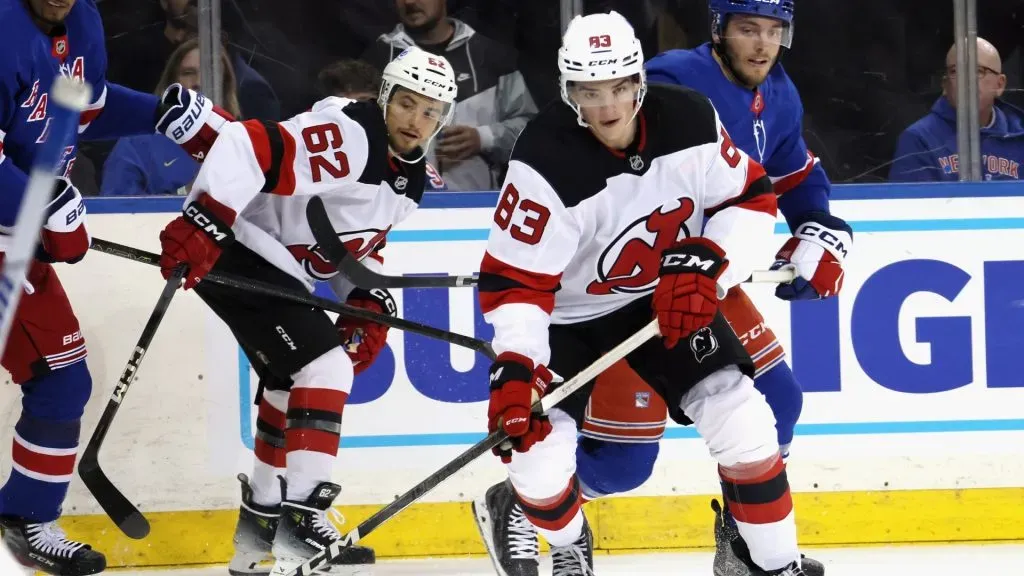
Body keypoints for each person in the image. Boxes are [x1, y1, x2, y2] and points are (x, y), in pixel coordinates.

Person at [474, 2, 849, 575]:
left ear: (639, 81)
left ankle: (772, 565)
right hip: (568, 318)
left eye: (620, 88)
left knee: (744, 408)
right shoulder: (542, 161)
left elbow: (750, 196)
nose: (606, 107)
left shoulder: (693, 116)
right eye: (588, 91)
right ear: (567, 88)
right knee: (549, 457)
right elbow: (518, 283)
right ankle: (563, 534)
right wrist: (517, 364)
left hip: (667, 291)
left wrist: (712, 263)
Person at [154, 46, 457, 575]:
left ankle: (257, 531)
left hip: (270, 263)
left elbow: (342, 247)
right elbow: (246, 146)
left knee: (289, 382)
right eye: (407, 104)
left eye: (432, 112)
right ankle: (302, 515)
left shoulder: (409, 179)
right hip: (236, 242)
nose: (417, 121)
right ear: (385, 97)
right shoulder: (353, 137)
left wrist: (365, 294)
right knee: (327, 366)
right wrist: (204, 221)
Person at [0, 0, 229, 573]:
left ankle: (26, 516)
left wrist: (161, 114)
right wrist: (39, 201)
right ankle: (26, 516)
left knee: (59, 377)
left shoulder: (82, 24)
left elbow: (82, 109)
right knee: (58, 377)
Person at [362, 0, 537, 191]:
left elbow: (532, 132)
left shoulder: (492, 58)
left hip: (477, 208)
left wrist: (484, 137)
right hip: (398, 207)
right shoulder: (376, 61)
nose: (410, 2)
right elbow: (355, 135)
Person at [102, 37, 244, 196]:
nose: (198, 82)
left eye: (210, 73)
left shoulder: (243, 143)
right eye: (188, 73)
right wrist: (186, 193)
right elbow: (117, 213)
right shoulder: (137, 142)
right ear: (172, 83)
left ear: (225, 84)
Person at [890, 37, 1024, 182]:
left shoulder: (1019, 137)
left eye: (979, 71)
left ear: (1000, 84)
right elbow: (911, 203)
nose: (967, 80)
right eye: (955, 71)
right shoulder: (919, 139)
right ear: (945, 85)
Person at [316, 58, 447, 191]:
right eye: (345, 109)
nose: (360, 116)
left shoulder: (415, 171)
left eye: (367, 105)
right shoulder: (309, 160)